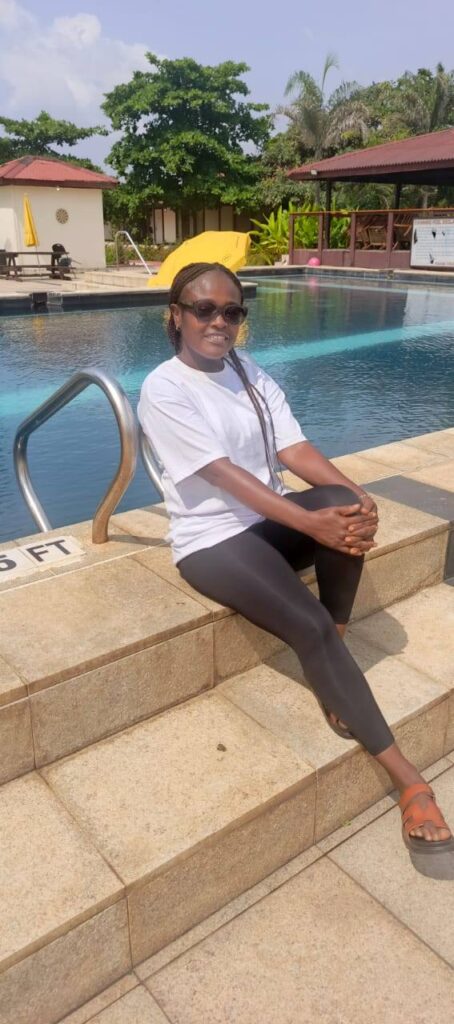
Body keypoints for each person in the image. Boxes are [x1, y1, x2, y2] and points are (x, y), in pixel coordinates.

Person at [138, 261, 452, 855]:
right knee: (307, 622)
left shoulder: (247, 370)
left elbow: (293, 447)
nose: (219, 322)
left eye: (232, 311)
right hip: (211, 541)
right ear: (176, 316)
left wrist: (355, 495)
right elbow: (219, 474)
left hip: (265, 524)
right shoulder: (165, 388)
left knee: (342, 506)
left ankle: (334, 650)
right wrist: (307, 522)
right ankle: (409, 781)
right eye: (204, 310)